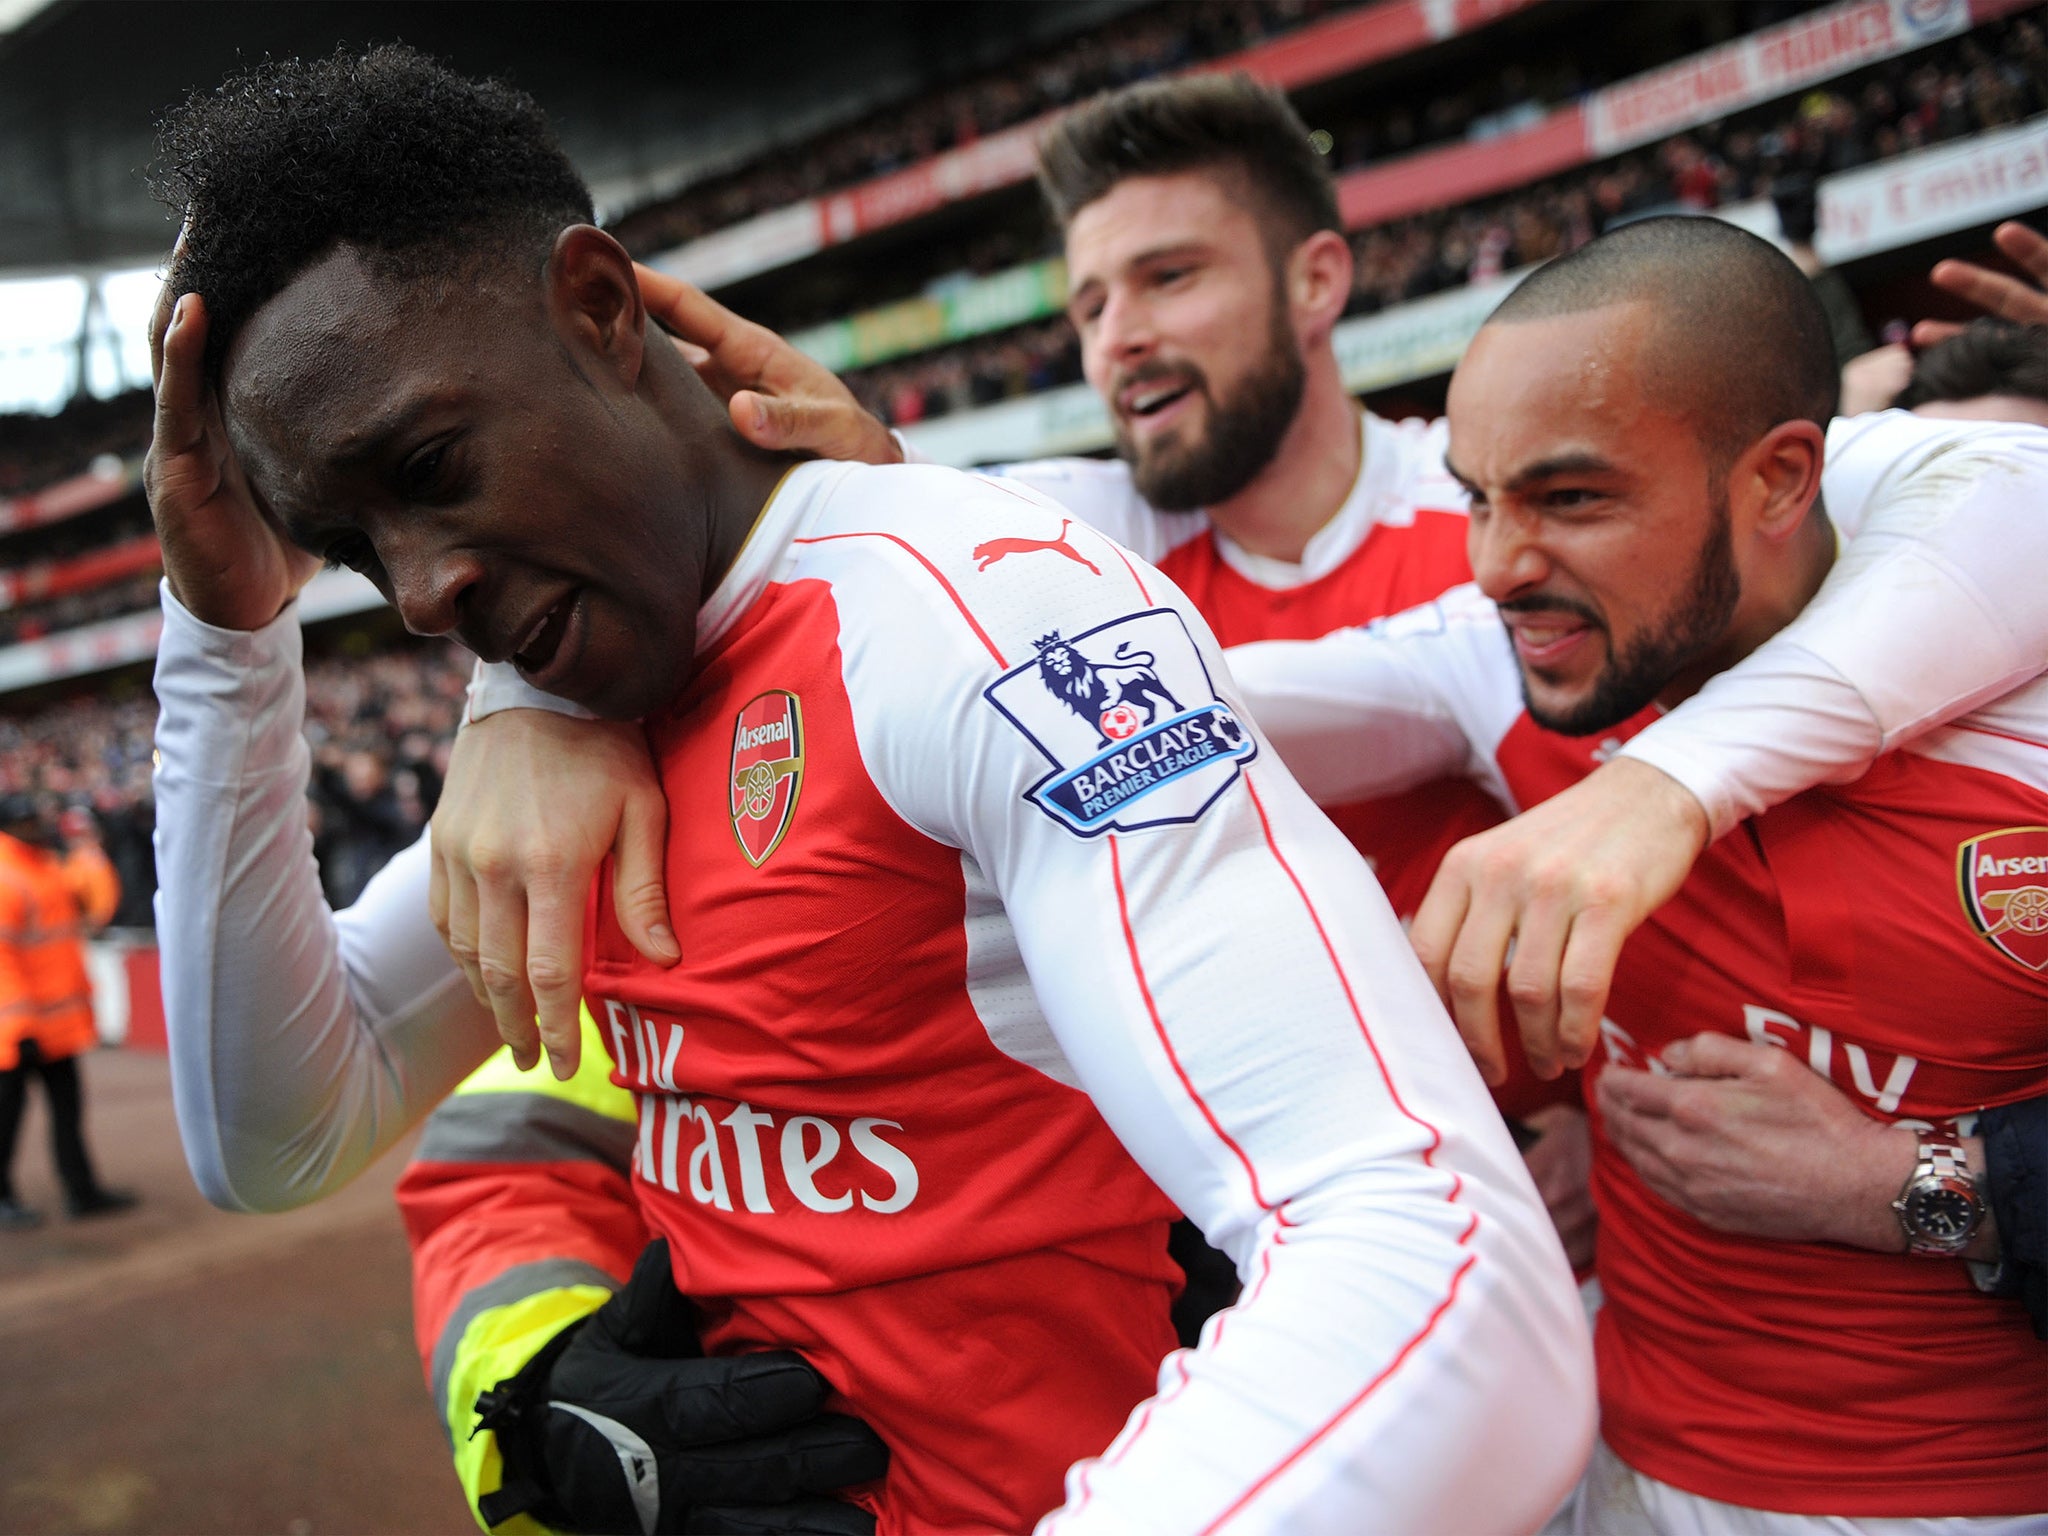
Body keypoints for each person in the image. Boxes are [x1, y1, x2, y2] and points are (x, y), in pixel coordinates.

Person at [145, 46, 1593, 1535]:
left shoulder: (980, 614)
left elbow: (1435, 1255)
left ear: (597, 308)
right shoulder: (584, 703)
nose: (425, 594)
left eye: (436, 467)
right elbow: (275, 1136)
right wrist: (224, 631)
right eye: (358, 553)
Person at [1227, 216, 2048, 1529]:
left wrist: (1909, 1184)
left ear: (1781, 482)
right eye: (1477, 497)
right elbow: (1183, 706)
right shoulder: (1517, 662)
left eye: (1570, 497)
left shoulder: (2014, 677)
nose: (1498, 565)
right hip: (1612, 1472)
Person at [0, 794, 134, 1228]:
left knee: (68, 1111)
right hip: (17, 1030)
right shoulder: (8, 876)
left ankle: (82, 1190)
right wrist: (18, 1026)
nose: (36, 826)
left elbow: (93, 906)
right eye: (25, 821)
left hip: (53, 1024)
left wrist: (92, 857)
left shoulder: (45, 866)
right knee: (6, 1118)